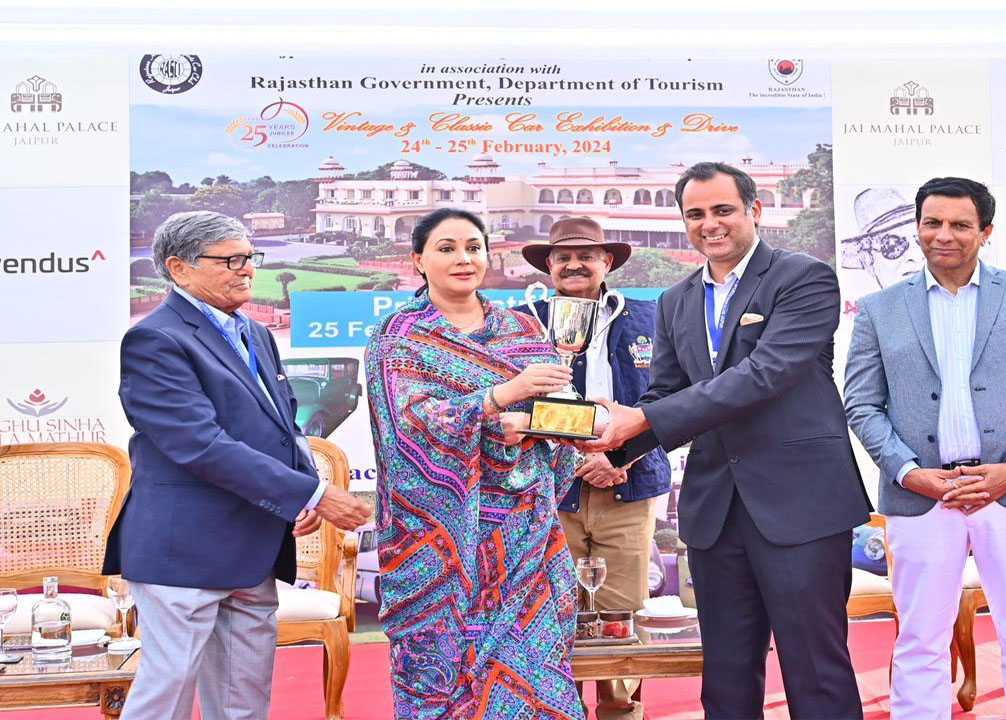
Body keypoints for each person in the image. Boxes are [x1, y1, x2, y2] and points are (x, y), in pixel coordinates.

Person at [581, 161, 873, 720]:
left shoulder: (803, 277)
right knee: (726, 675)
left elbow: (764, 375)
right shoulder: (676, 300)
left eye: (722, 210)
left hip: (802, 505)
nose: (709, 224)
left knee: (816, 671)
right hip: (716, 509)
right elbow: (665, 393)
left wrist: (638, 421)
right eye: (695, 214)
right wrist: (611, 443)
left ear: (753, 210)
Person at [104, 210, 371, 720]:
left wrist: (300, 488)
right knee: (165, 701)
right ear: (179, 268)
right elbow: (199, 443)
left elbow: (283, 423)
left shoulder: (254, 332)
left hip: (254, 548)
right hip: (183, 552)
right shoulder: (156, 340)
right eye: (230, 260)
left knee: (242, 704)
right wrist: (313, 495)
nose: (247, 269)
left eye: (250, 257)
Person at [844, 176, 1006, 720]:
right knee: (919, 641)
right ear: (918, 227)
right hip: (922, 497)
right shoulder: (880, 308)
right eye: (932, 223)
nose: (943, 235)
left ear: (986, 232)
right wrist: (909, 473)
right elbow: (861, 404)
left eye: (959, 224)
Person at [365, 208, 584, 719]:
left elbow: (564, 416)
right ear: (418, 260)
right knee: (443, 678)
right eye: (447, 248)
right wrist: (500, 398)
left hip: (523, 534)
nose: (464, 259)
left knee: (533, 674)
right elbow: (409, 428)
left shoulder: (521, 329)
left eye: (474, 247)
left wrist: (541, 424)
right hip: (437, 545)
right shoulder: (398, 337)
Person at [519, 217, 672, 720]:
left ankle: (620, 713)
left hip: (629, 485)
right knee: (550, 614)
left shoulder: (652, 317)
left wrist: (621, 455)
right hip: (547, 493)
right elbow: (511, 408)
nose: (574, 265)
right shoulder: (522, 323)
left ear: (607, 262)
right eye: (563, 257)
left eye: (586, 255)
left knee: (621, 617)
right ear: (549, 266)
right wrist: (576, 458)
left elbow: (674, 400)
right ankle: (558, 710)